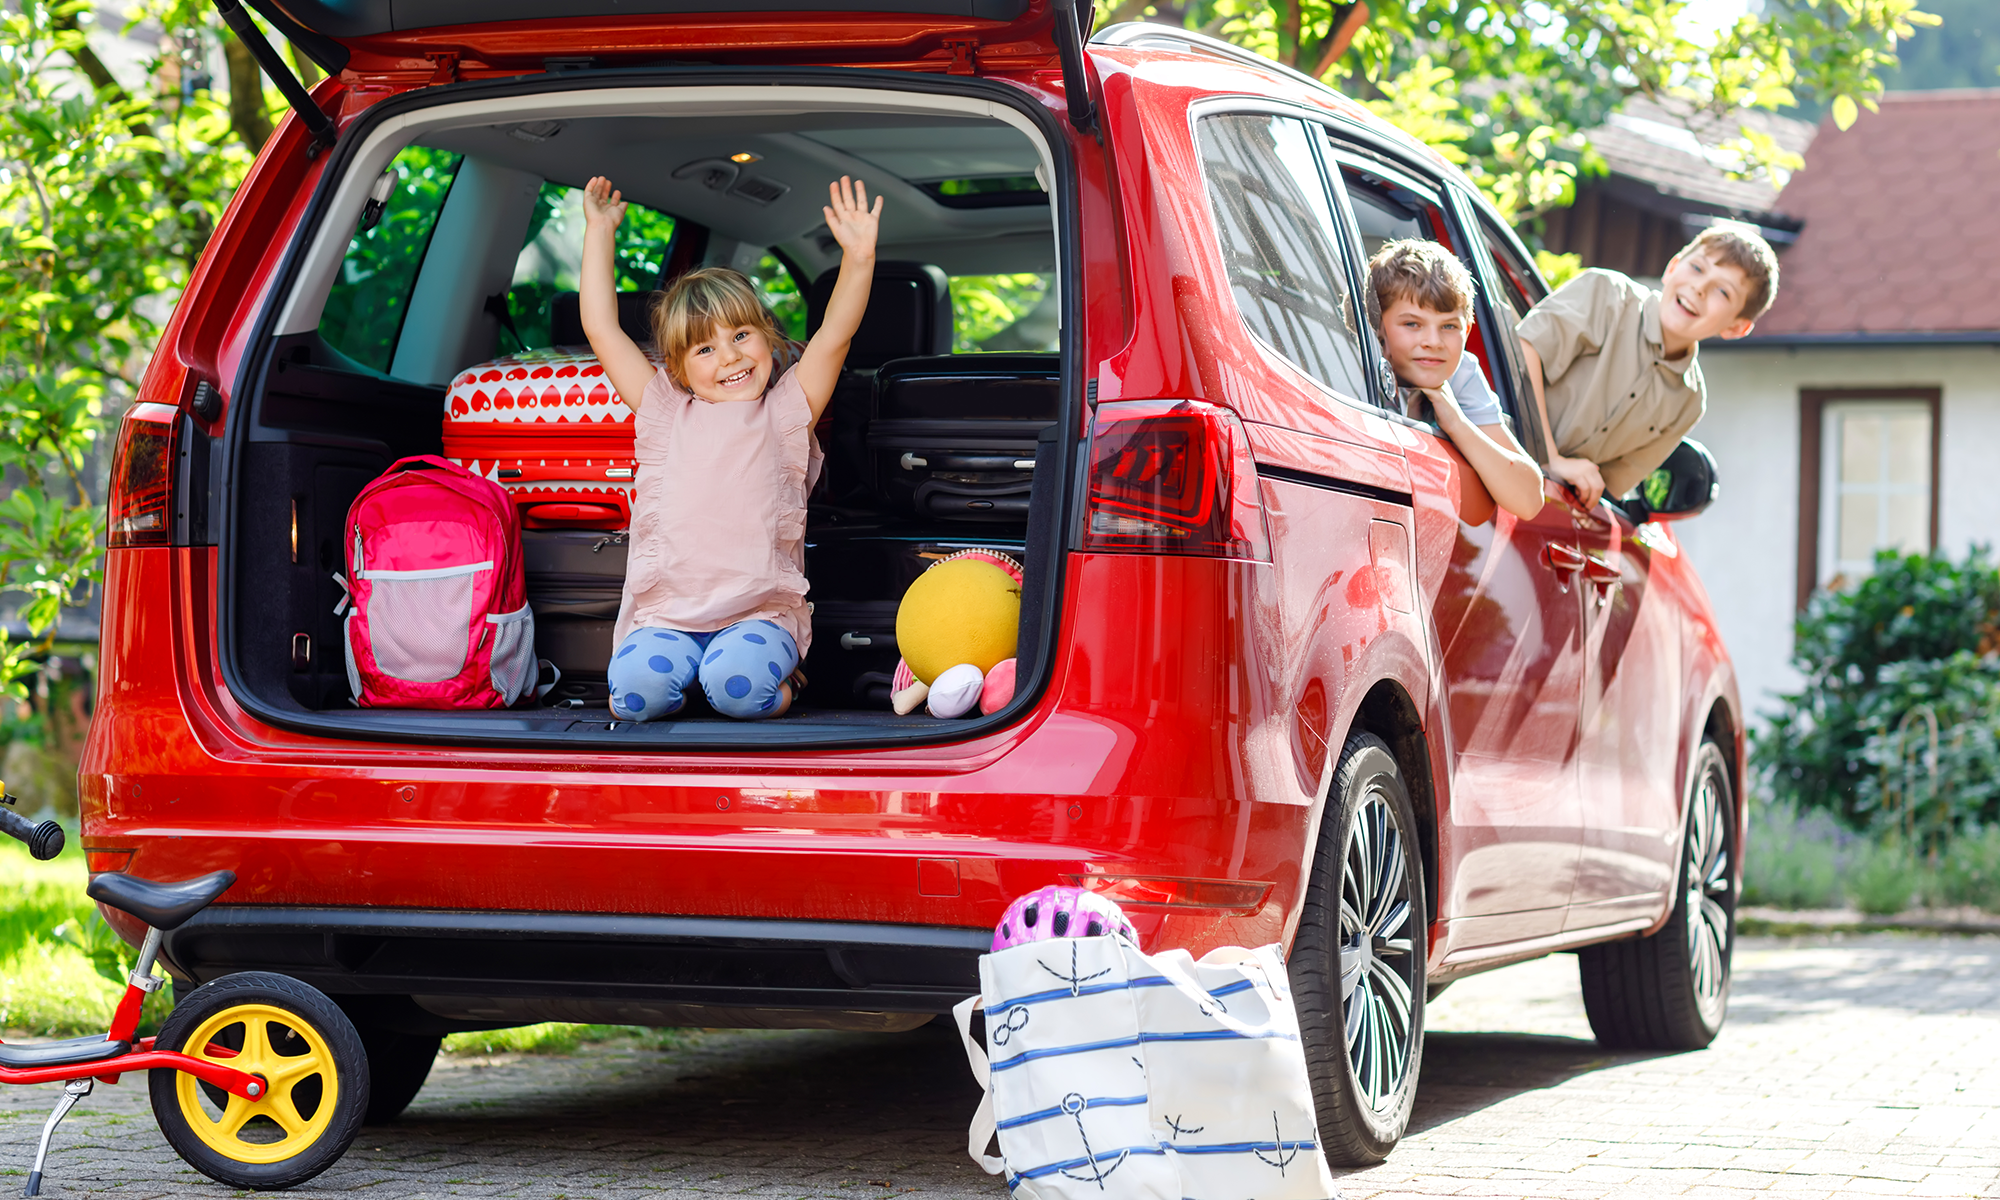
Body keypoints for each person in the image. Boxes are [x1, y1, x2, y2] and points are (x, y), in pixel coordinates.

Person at [580, 174, 883, 721]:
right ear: (677, 369)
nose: (729, 358)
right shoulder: (664, 411)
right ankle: (684, 675)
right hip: (668, 616)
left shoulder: (788, 411)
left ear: (768, 337)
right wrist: (600, 233)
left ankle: (788, 676)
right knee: (632, 701)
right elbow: (602, 330)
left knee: (741, 692)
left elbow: (835, 335)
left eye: (741, 335)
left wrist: (858, 259)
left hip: (757, 616)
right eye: (704, 347)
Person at [1518, 224, 1779, 509]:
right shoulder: (1606, 296)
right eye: (1697, 268)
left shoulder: (1688, 403)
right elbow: (1523, 349)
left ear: (1736, 327)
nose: (1699, 288)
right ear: (1672, 267)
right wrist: (1551, 459)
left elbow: (1609, 486)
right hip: (1493, 446)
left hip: (1539, 503)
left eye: (1723, 292)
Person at [1368, 239, 1546, 521]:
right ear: (1377, 326)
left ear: (1467, 329)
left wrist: (1456, 422)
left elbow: (1529, 499)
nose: (1433, 342)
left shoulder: (1459, 373)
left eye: (1449, 326)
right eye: (1412, 324)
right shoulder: (1357, 361)